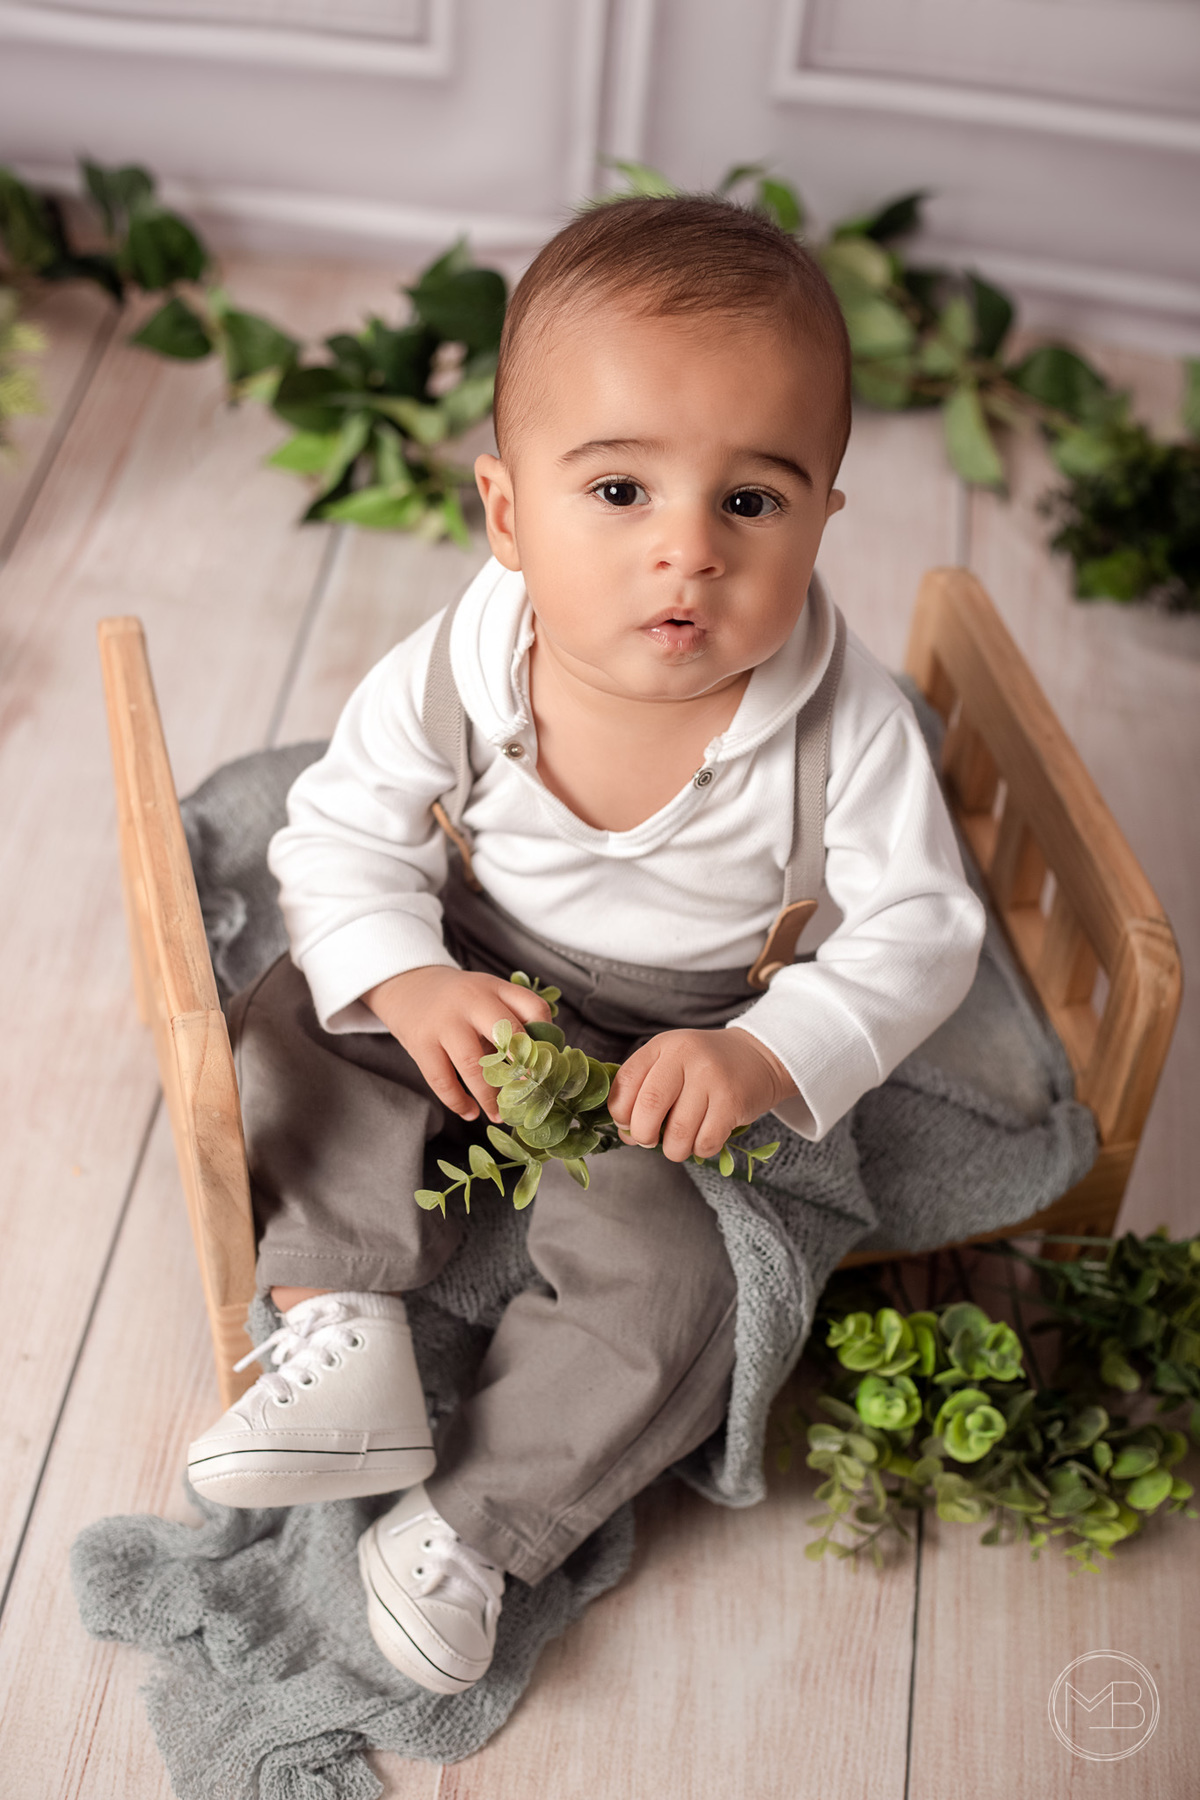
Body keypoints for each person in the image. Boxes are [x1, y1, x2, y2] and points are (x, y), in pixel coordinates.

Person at [186, 195, 986, 1694]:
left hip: (683, 1034)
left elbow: (920, 936)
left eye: (751, 503)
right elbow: (341, 835)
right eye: (619, 491)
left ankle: (471, 1525)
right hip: (480, 954)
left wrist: (765, 1050)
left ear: (822, 515)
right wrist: (411, 973)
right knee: (306, 1016)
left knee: (690, 1277)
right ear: (506, 511)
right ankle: (338, 1315)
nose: (685, 553)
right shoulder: (463, 660)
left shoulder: (850, 727)